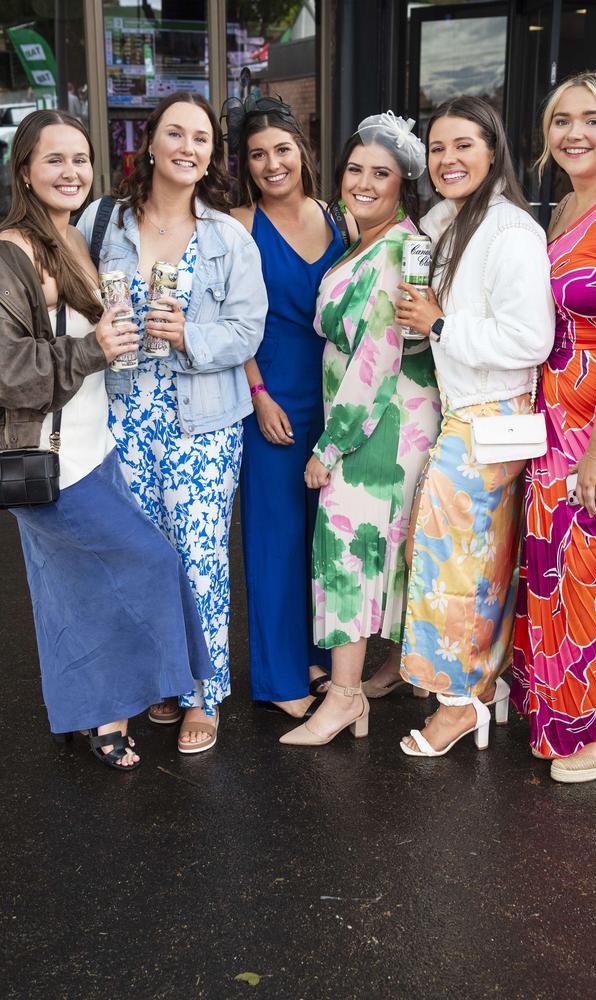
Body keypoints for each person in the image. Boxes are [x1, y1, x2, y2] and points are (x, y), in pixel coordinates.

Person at [0, 110, 212, 770]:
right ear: (25, 172)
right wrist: (92, 348)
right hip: (51, 462)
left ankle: (88, 713)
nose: (71, 172)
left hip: (96, 448)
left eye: (81, 159)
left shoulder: (73, 240)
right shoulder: (12, 251)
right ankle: (113, 713)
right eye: (54, 159)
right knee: (150, 561)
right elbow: (8, 368)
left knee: (72, 592)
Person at [77, 91, 266, 754]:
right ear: (149, 144)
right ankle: (155, 677)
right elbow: (68, 303)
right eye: (176, 134)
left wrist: (190, 335)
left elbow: (248, 329)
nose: (189, 148)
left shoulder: (227, 236)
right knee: (138, 556)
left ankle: (202, 692)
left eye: (203, 139)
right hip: (121, 416)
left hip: (202, 425)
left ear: (212, 155)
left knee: (200, 558)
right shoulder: (102, 224)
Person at [395, 96, 555, 758]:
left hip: (489, 417)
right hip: (469, 417)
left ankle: (459, 705)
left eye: (464, 145)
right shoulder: (455, 220)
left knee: (455, 566)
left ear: (494, 151)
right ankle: (479, 690)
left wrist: (438, 324)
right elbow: (419, 225)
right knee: (464, 562)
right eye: (436, 148)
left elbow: (530, 338)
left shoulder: (512, 231)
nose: (448, 159)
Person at [279, 111, 440, 747]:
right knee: (380, 544)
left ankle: (344, 698)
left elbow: (377, 356)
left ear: (404, 181)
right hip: (379, 418)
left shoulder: (398, 249)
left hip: (381, 424)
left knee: (346, 545)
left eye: (382, 172)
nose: (364, 182)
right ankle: (390, 669)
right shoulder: (364, 239)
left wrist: (331, 446)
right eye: (355, 170)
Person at [511, 70, 596, 782]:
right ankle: (564, 708)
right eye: (561, 120)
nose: (573, 133)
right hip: (552, 415)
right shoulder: (565, 205)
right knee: (554, 570)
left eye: (591, 119)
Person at [227, 96, 345, 718]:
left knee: (321, 538)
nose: (273, 164)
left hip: (332, 397)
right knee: (276, 538)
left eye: (282, 149)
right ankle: (279, 679)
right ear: (245, 165)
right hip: (269, 398)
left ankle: (315, 659)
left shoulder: (338, 217)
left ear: (302, 151)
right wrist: (258, 393)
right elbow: (226, 317)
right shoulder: (240, 224)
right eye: (257, 155)